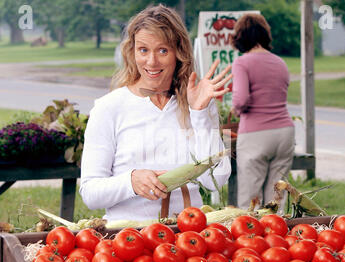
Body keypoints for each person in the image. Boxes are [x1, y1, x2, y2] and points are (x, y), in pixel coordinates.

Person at [79, 5, 232, 222]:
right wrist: (130, 182)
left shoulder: (198, 103)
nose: (151, 62)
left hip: (189, 235)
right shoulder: (108, 108)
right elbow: (90, 193)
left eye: (162, 50)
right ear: (132, 52)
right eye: (143, 50)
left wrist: (199, 113)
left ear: (179, 53)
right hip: (128, 239)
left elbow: (217, 179)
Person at [230, 13, 295, 210]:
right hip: (284, 133)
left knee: (250, 201)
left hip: (255, 136)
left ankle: (250, 239)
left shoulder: (242, 62)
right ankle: (277, 237)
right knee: (277, 199)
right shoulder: (280, 63)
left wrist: (236, 109)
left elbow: (241, 99)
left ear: (240, 37)